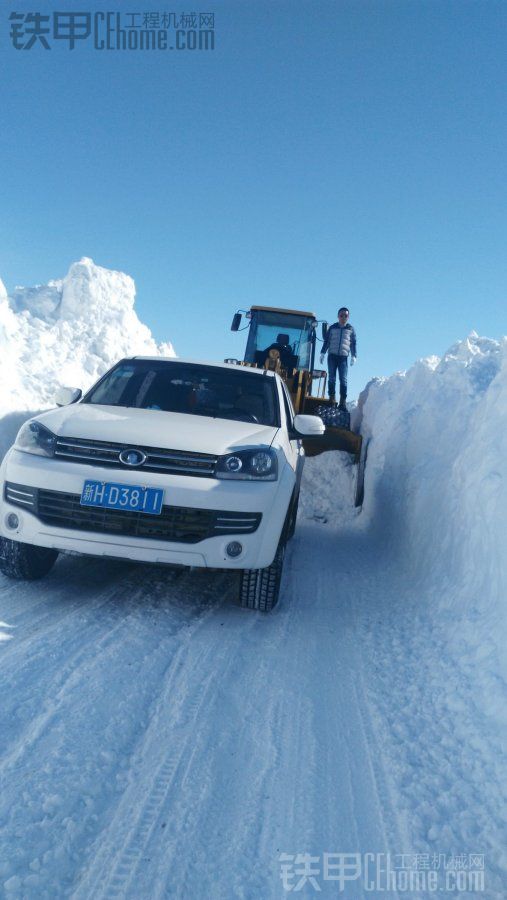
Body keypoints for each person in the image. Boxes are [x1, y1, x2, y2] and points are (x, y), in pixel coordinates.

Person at [320, 307, 357, 410]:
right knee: (332, 378)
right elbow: (327, 341)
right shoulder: (332, 328)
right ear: (338, 316)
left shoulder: (350, 329)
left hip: (343, 358)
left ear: (348, 317)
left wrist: (354, 355)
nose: (343, 317)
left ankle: (342, 402)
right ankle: (331, 400)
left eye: (345, 315)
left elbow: (353, 343)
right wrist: (322, 352)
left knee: (343, 380)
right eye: (341, 315)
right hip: (332, 356)